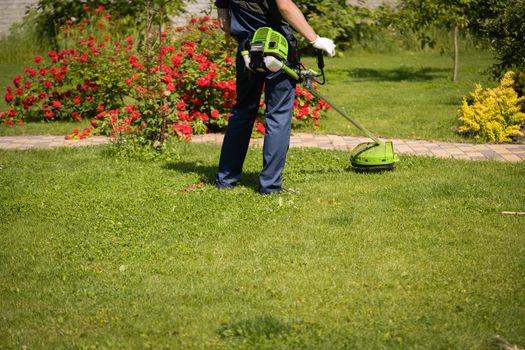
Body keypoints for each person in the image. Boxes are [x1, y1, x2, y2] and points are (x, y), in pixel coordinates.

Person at [214, 0, 336, 194]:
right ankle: (270, 186)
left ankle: (225, 179)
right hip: (277, 50)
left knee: (242, 111)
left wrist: (248, 40)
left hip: (247, 51)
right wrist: (315, 40)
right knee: (278, 115)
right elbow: (285, 6)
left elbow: (224, 23)